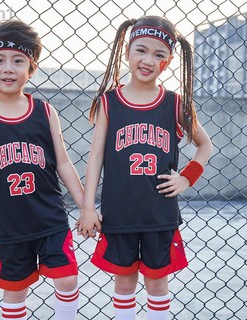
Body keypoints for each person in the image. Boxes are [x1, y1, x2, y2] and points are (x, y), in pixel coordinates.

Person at [77, 15, 212, 320]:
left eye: (159, 54)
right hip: (119, 213)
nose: (148, 59)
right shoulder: (109, 102)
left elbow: (205, 145)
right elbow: (95, 157)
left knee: (157, 285)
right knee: (123, 284)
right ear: (127, 52)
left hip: (158, 215)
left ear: (168, 62)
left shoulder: (175, 103)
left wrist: (187, 178)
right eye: (141, 50)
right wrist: (88, 207)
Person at [0, 20, 84, 320]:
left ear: (32, 69)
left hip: (50, 218)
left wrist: (86, 207)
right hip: (9, 226)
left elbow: (64, 162)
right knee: (14, 290)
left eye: (19, 61)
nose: (8, 68)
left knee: (67, 278)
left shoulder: (44, 112)